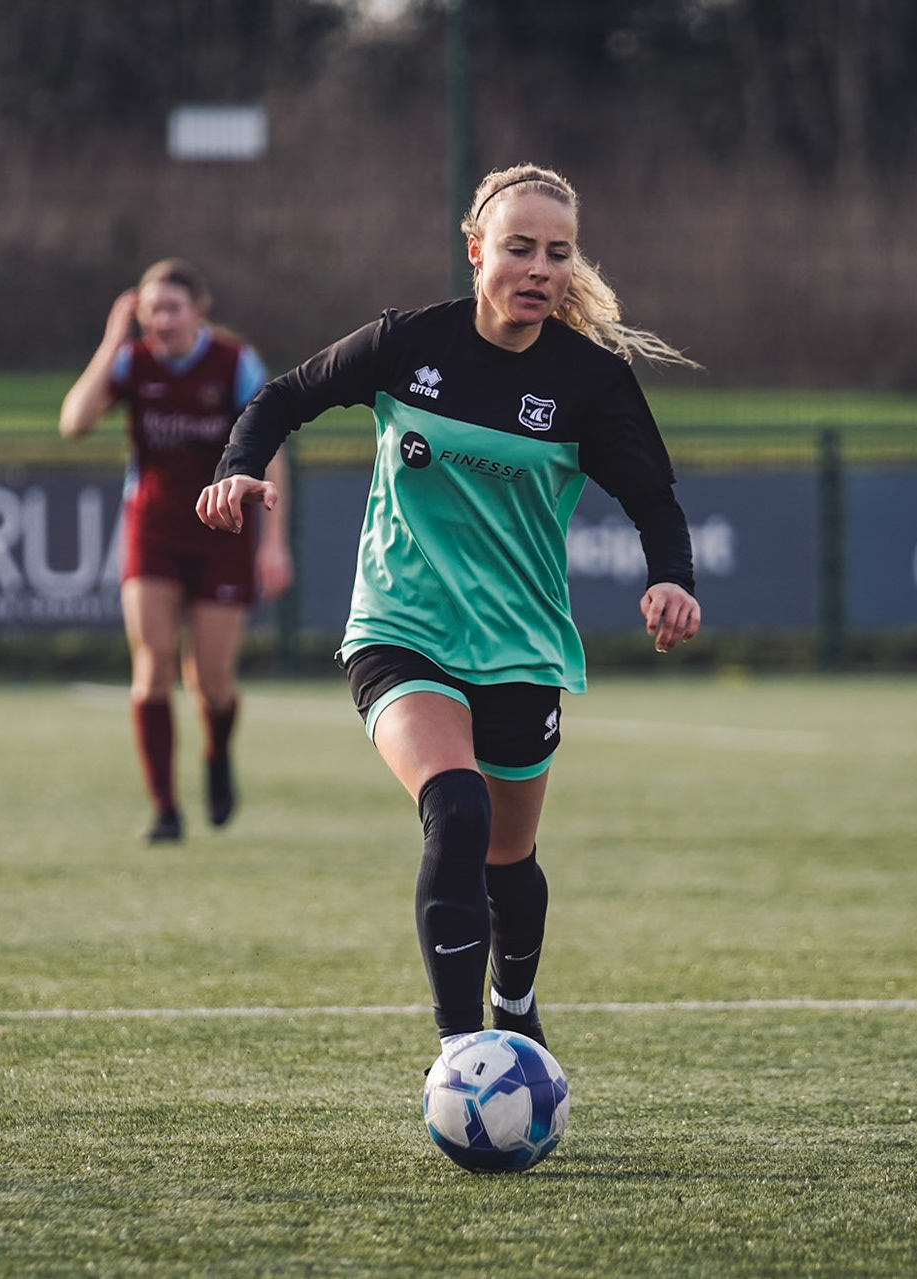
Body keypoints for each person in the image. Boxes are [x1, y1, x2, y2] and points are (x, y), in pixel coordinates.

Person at [196, 164, 700, 1055]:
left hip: (521, 645)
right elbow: (282, 397)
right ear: (476, 251)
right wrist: (238, 467)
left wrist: (673, 577)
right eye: (519, 248)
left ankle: (516, 999)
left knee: (510, 860)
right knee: (457, 810)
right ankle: (462, 1050)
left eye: (558, 253)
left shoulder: (589, 381)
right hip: (400, 630)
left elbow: (654, 498)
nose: (539, 268)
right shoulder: (408, 343)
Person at [61, 258, 293, 843]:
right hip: (153, 529)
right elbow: (74, 422)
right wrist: (111, 343)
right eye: (151, 310)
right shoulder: (131, 361)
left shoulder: (234, 363)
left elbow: (271, 453)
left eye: (172, 308)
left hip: (223, 530)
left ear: (198, 311)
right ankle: (165, 809)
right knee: (153, 664)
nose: (161, 320)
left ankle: (217, 753)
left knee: (211, 681)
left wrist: (274, 544)